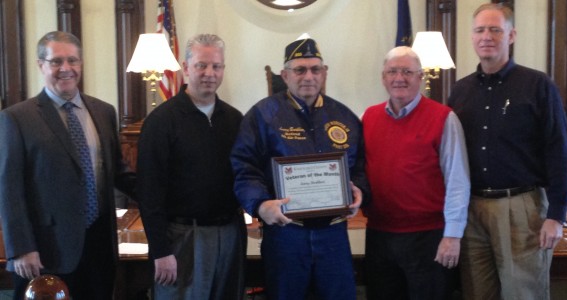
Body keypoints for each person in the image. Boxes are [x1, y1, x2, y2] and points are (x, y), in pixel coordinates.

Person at [447, 3, 567, 299]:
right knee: (477, 293)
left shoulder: (537, 85)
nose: (486, 36)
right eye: (480, 30)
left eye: (495, 29)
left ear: (511, 35)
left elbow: (558, 150)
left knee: (523, 293)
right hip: (472, 209)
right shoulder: (460, 91)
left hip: (522, 209)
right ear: (472, 36)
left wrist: (557, 214)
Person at [230, 35, 369, 300]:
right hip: (286, 235)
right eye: (300, 69)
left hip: (333, 234)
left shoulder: (345, 117)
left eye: (315, 69)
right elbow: (245, 168)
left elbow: (361, 166)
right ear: (285, 74)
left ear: (324, 72)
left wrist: (359, 190)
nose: (308, 76)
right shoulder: (262, 115)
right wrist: (260, 205)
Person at [0, 31, 135, 300]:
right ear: (41, 65)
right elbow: (9, 188)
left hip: (99, 245)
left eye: (72, 60)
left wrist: (165, 195)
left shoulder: (104, 111)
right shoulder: (17, 118)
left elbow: (118, 172)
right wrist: (22, 248)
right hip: (46, 249)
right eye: (56, 61)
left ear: (81, 64)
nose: (66, 69)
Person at [136, 34, 246, 300]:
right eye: (201, 65)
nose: (209, 73)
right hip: (182, 238)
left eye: (216, 66)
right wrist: (160, 251)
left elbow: (248, 174)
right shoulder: (161, 122)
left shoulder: (235, 119)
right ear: (185, 68)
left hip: (230, 234)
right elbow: (149, 193)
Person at [361, 46, 470, 299]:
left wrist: (452, 235)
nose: (399, 78)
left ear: (421, 77)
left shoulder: (444, 118)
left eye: (408, 72)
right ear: (383, 77)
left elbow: (458, 181)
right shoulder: (369, 117)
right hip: (380, 235)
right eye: (393, 71)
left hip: (428, 238)